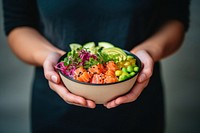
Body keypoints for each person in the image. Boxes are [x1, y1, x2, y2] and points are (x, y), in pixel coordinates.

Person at [3, 0, 190, 133]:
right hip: (55, 112)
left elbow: (175, 18)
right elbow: (18, 24)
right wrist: (49, 57)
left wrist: (148, 51)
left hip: (140, 112)